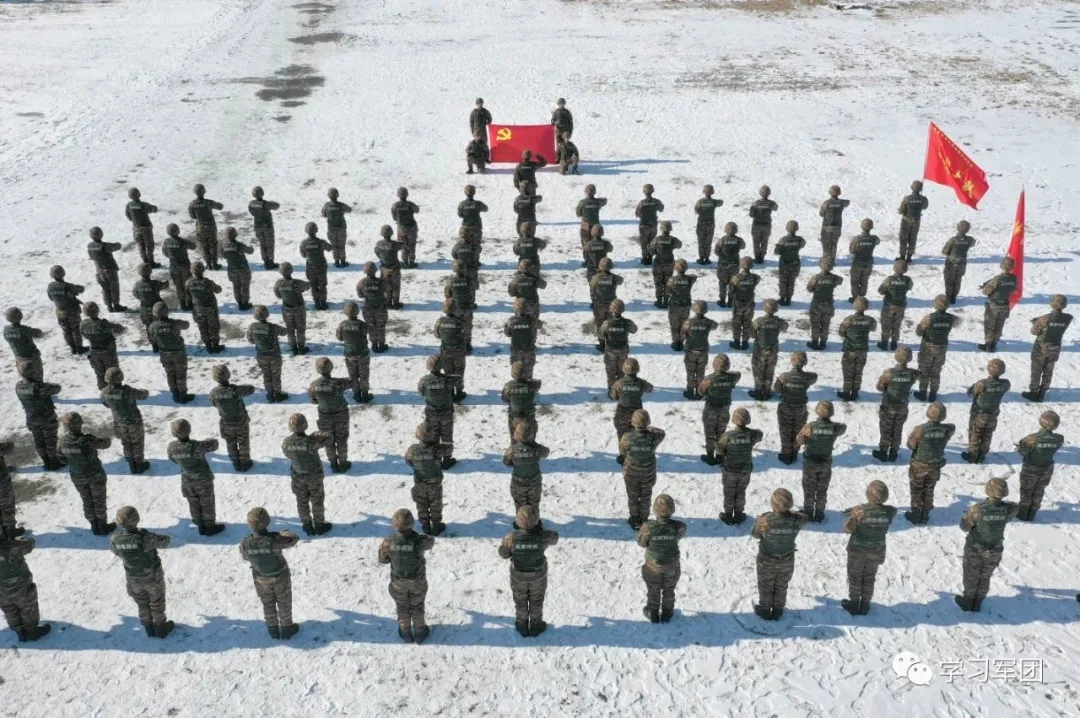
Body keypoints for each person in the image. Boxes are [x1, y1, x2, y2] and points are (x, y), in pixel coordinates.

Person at [109, 506, 173, 638]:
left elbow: (115, 551)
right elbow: (166, 542)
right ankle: (161, 627)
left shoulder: (115, 540)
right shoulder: (145, 537)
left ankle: (148, 627)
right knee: (157, 601)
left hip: (133, 580)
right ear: (136, 519)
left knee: (142, 602)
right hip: (152, 578)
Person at [956, 478, 1018, 613]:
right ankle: (977, 602)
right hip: (995, 549)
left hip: (975, 549)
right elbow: (1015, 509)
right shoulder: (1009, 509)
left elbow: (964, 527)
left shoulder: (977, 509)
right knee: (985, 576)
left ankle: (968, 602)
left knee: (971, 576)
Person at [239, 507, 300, 639]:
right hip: (280, 577)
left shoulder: (245, 543)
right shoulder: (275, 539)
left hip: (261, 579)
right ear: (267, 521)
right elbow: (294, 539)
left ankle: (272, 630)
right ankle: (287, 628)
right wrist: (286, 532)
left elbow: (245, 557)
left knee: (268, 604)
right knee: (284, 603)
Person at [499, 504, 559, 637]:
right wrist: (540, 529)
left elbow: (503, 554)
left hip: (518, 576)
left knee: (520, 601)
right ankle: (536, 626)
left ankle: (522, 626)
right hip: (538, 576)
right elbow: (555, 538)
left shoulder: (511, 537)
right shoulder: (543, 536)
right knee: (536, 601)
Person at [378, 508, 435, 644]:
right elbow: (431, 542)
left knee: (402, 605)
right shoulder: (419, 541)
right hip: (417, 582)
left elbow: (383, 559)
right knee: (417, 605)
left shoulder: (388, 542)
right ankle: (420, 630)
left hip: (398, 582)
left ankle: (405, 631)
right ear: (412, 524)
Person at [841, 480, 897, 616]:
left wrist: (854, 514)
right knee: (869, 577)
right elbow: (890, 510)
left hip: (857, 551)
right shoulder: (890, 511)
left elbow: (848, 529)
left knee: (855, 577)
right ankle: (865, 604)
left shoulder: (860, 511)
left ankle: (854, 604)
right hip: (876, 551)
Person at [751, 488, 807, 620]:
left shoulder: (765, 520)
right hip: (786, 559)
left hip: (767, 560)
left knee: (765, 586)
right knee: (781, 585)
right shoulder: (798, 520)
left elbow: (755, 534)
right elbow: (805, 517)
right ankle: (778, 610)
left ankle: (765, 609)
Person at [58, 412, 114, 535]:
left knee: (87, 500)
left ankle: (94, 526)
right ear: (80, 424)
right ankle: (102, 526)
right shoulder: (87, 440)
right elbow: (106, 444)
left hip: (77, 476)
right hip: (94, 475)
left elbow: (61, 459)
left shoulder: (62, 442)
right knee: (98, 501)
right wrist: (106, 438)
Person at [166, 418, 224, 536]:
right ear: (189, 430)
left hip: (187, 481)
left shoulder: (171, 448)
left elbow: (173, 459)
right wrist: (208, 441)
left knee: (193, 503)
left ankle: (200, 526)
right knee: (207, 503)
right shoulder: (197, 446)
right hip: (203, 481)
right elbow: (214, 445)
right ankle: (209, 527)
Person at [637, 494, 686, 623]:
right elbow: (678, 536)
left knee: (653, 590)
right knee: (669, 590)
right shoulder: (679, 526)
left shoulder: (648, 527)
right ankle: (667, 613)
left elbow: (642, 543)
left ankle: (652, 613)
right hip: (672, 566)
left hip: (653, 567)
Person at [795, 401, 847, 522]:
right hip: (825, 463)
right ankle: (819, 513)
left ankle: (808, 512)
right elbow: (843, 428)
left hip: (810, 463)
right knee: (822, 489)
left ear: (817, 412)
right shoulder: (835, 428)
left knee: (809, 488)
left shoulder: (810, 427)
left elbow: (799, 440)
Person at [282, 414, 333, 536]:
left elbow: (288, 455)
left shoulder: (286, 443)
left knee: (301, 502)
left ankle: (307, 526)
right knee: (317, 501)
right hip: (314, 477)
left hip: (298, 477)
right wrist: (318, 434)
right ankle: (320, 526)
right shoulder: (311, 442)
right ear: (305, 425)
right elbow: (328, 440)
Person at [905, 402, 956, 524]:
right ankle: (925, 514)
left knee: (917, 490)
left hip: (919, 466)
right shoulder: (947, 430)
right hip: (935, 466)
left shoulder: (920, 430)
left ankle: (916, 514)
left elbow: (910, 445)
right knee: (929, 490)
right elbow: (952, 427)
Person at [0, 526, 49, 642]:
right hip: (21, 587)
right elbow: (30, 544)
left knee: (9, 610)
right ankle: (32, 632)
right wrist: (20, 538)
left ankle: (19, 632)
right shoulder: (13, 546)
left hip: (1, 590)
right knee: (28, 607)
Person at [715, 408, 764, 525]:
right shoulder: (752, 435)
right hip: (745, 471)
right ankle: (739, 514)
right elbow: (760, 434)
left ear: (734, 420)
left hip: (729, 471)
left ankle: (727, 515)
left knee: (729, 492)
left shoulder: (728, 436)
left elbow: (719, 451)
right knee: (741, 492)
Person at [619, 410, 665, 529]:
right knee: (646, 496)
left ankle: (634, 518)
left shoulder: (627, 437)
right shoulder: (653, 437)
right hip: (647, 473)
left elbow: (622, 452)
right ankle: (644, 519)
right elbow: (662, 432)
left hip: (631, 473)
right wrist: (648, 428)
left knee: (632, 496)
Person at [100, 367, 150, 474]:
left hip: (119, 422)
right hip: (134, 422)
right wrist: (145, 391)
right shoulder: (127, 391)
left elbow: (105, 403)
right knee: (137, 442)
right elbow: (143, 395)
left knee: (126, 443)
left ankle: (131, 464)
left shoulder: (104, 392)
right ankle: (139, 464)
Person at [872, 347, 918, 462]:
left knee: (886, 429)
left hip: (889, 406)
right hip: (902, 406)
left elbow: (879, 387)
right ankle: (893, 452)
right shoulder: (913, 374)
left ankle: (883, 452)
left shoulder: (889, 373)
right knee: (897, 430)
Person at [1016, 411, 1064, 521]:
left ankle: (1023, 514)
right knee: (1039, 491)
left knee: (1026, 491)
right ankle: (1032, 513)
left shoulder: (1032, 438)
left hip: (1030, 469)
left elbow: (1022, 452)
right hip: (1047, 469)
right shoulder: (1059, 438)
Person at [1025, 294, 1073, 402]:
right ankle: (1042, 393)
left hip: (1040, 348)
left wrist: (1036, 322)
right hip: (1055, 348)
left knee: (1036, 370)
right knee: (1048, 371)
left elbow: (1034, 332)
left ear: (1052, 304)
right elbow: (1056, 322)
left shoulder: (1044, 318)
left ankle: (1033, 392)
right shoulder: (1068, 318)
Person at [15, 363, 63, 470]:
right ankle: (54, 462)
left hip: (31, 419)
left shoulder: (18, 386)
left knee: (38, 440)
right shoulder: (38, 387)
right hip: (46, 418)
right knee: (50, 440)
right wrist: (44, 384)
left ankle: (46, 462)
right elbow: (57, 388)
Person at [308, 358, 352, 473]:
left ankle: (333, 463)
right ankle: (343, 463)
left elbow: (313, 401)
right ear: (330, 368)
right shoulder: (338, 383)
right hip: (341, 415)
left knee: (328, 440)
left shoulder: (314, 385)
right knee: (341, 439)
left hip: (324, 417)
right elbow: (351, 382)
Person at [406, 423, 451, 536]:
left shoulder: (412, 449)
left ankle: (425, 526)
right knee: (436, 505)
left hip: (419, 484)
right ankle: (436, 526)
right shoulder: (436, 449)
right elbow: (449, 449)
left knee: (422, 505)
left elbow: (409, 462)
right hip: (434, 485)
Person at [209, 364, 255, 472]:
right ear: (228, 375)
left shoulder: (213, 393)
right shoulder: (236, 390)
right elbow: (251, 389)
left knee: (230, 442)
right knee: (243, 442)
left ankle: (235, 462)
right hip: (241, 421)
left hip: (226, 422)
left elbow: (213, 403)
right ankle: (244, 462)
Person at [963, 359, 1010, 464]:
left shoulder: (982, 383)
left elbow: (971, 394)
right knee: (987, 434)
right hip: (993, 414)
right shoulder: (1005, 384)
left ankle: (972, 455)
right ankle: (982, 455)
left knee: (975, 434)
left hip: (978, 413)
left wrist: (972, 387)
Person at [774, 352, 817, 464]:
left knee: (785, 431)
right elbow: (815, 376)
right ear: (804, 362)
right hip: (801, 409)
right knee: (798, 431)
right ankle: (794, 453)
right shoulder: (808, 377)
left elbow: (776, 389)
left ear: (792, 361)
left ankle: (786, 455)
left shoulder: (784, 377)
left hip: (785, 408)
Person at [913, 295, 956, 402]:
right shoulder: (951, 318)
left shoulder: (929, 318)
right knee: (936, 371)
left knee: (924, 370)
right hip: (942, 347)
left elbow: (919, 332)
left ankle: (922, 393)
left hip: (928, 347)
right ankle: (933, 394)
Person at [148, 302, 194, 403]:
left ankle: (175, 394)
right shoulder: (173, 323)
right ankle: (183, 395)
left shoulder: (152, 326)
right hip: (178, 353)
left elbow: (152, 339)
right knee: (180, 375)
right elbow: (186, 325)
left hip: (164, 354)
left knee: (170, 374)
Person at [698, 354, 740, 465]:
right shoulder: (732, 378)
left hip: (710, 410)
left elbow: (701, 392)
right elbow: (738, 374)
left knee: (710, 433)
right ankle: (720, 456)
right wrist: (725, 373)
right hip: (724, 410)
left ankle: (710, 456)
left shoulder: (709, 379)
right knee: (721, 433)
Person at [418, 356, 456, 469]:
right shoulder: (447, 380)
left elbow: (422, 392)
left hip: (431, 413)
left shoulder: (424, 381)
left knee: (432, 435)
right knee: (447, 437)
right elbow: (451, 387)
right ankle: (447, 460)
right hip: (446, 414)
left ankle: (435, 458)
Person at [504, 423, 550, 515]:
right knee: (534, 504)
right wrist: (534, 444)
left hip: (518, 483)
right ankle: (535, 523)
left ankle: (522, 523)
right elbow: (546, 453)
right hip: (534, 482)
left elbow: (507, 463)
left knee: (520, 505)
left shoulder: (512, 450)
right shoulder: (537, 448)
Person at [247, 305, 290, 402]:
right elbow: (284, 332)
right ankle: (277, 394)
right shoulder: (272, 327)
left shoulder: (252, 327)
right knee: (276, 375)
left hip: (261, 355)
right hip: (274, 356)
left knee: (266, 375)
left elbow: (251, 340)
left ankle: (270, 394)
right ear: (267, 314)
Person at [837, 296, 877, 401]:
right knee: (858, 372)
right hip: (863, 350)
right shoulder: (870, 320)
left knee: (848, 373)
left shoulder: (849, 320)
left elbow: (841, 333)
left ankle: (846, 393)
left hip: (850, 350)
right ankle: (855, 393)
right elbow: (873, 328)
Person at [80, 301, 125, 390]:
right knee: (113, 373)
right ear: (97, 310)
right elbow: (120, 329)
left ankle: (103, 391)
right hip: (108, 353)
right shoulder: (104, 324)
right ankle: (116, 392)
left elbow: (83, 335)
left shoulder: (83, 324)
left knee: (99, 373)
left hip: (94, 353)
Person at [610, 359, 654, 448]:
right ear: (637, 369)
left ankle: (623, 454)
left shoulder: (618, 383)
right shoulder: (641, 383)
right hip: (637, 414)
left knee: (622, 435)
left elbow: (613, 396)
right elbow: (650, 388)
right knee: (637, 434)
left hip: (622, 412)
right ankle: (636, 453)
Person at [749, 299, 787, 400]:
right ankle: (767, 392)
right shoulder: (779, 322)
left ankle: (758, 392)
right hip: (772, 351)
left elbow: (752, 335)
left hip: (759, 351)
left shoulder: (758, 321)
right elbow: (785, 327)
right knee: (769, 372)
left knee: (758, 372)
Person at [979, 257, 1018, 352]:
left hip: (993, 306)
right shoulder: (1013, 279)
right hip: (1004, 305)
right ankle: (994, 345)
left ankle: (988, 346)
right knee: (999, 326)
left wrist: (985, 287)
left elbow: (985, 292)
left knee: (990, 326)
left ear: (1001, 266)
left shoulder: (997, 279)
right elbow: (1013, 289)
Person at [681, 300, 718, 400]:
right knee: (700, 372)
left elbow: (683, 335)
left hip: (691, 351)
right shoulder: (708, 322)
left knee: (690, 372)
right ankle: (699, 392)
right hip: (703, 351)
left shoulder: (689, 322)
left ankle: (690, 391)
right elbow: (716, 326)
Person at [185, 261, 226, 353]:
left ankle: (208, 346)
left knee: (202, 327)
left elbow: (188, 297)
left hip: (198, 309)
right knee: (214, 327)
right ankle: (215, 345)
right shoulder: (207, 282)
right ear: (203, 270)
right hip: (211, 309)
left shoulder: (188, 283)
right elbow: (218, 290)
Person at [336, 301, 372, 403]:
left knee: (353, 375)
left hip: (349, 355)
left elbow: (339, 337)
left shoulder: (342, 325)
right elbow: (371, 330)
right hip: (363, 354)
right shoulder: (363, 325)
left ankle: (356, 394)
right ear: (357, 311)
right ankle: (365, 394)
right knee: (364, 375)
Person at [46, 265, 87, 354]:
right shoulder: (67, 286)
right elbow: (81, 289)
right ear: (63, 274)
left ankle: (72, 348)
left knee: (66, 330)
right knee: (76, 329)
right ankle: (79, 347)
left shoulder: (50, 287)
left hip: (60, 311)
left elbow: (51, 298)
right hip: (72, 311)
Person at [598, 300, 638, 390]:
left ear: (611, 310)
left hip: (610, 352)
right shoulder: (627, 323)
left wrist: (602, 345)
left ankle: (612, 391)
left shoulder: (607, 323)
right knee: (621, 372)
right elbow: (635, 330)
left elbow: (601, 335)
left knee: (610, 373)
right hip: (623, 351)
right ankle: (619, 390)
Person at [434, 299, 468, 401]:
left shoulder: (440, 322)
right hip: (459, 352)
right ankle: (459, 392)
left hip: (445, 351)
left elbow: (437, 335)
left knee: (448, 372)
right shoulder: (460, 321)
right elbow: (465, 335)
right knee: (459, 371)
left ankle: (450, 392)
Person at [86, 227, 126, 313]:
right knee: (114, 288)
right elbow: (116, 246)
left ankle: (109, 306)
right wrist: (118, 244)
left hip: (99, 271)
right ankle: (116, 305)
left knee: (105, 288)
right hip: (109, 270)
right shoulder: (104, 246)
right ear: (101, 235)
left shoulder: (89, 246)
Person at [273, 262, 310, 356]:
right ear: (291, 271)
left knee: (290, 330)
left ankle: (293, 348)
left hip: (287, 310)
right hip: (299, 310)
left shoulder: (278, 283)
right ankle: (301, 348)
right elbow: (307, 286)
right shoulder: (297, 283)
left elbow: (278, 295)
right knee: (300, 329)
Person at [806, 259, 843, 350]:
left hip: (816, 305)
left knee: (815, 325)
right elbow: (840, 281)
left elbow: (809, 289)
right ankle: (823, 343)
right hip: (828, 305)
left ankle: (815, 343)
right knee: (825, 325)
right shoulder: (834, 278)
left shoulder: (815, 278)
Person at [131, 264, 170, 351]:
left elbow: (136, 295)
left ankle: (154, 346)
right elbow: (165, 285)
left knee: (149, 327)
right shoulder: (155, 283)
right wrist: (166, 282)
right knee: (161, 325)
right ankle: (163, 343)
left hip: (145, 309)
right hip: (157, 309)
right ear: (150, 272)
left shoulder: (137, 285)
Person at [877, 260, 913, 350]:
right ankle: (894, 344)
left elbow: (881, 291)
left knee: (886, 324)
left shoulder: (889, 279)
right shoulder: (908, 280)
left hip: (889, 306)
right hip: (900, 306)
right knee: (896, 325)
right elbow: (909, 287)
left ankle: (884, 343)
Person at [504, 298, 541, 381]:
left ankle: (517, 387)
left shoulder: (511, 321)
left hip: (516, 350)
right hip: (529, 350)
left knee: (517, 370)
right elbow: (539, 325)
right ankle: (528, 389)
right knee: (528, 370)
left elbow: (507, 333)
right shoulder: (531, 320)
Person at [504, 361, 542, 442]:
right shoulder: (532, 385)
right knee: (530, 438)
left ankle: (514, 451)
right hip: (528, 417)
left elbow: (504, 398)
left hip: (514, 416)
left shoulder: (508, 387)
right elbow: (539, 383)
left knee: (514, 438)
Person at [188, 184, 223, 269]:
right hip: (211, 228)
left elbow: (192, 216)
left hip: (201, 229)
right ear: (204, 192)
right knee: (213, 246)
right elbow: (220, 207)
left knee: (204, 247)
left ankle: (208, 264)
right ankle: (215, 264)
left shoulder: (192, 204)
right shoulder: (208, 202)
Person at [161, 224, 195, 311]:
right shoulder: (182, 242)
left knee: (179, 287)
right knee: (187, 285)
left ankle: (183, 305)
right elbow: (193, 246)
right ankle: (190, 304)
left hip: (174, 267)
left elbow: (165, 253)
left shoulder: (166, 242)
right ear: (178, 231)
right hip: (184, 267)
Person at [299, 222, 332, 310]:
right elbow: (329, 248)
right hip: (321, 266)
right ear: (316, 230)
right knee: (322, 285)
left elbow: (303, 255)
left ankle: (317, 303)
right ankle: (323, 303)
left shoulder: (304, 243)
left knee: (313, 285)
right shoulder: (321, 242)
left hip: (310, 267)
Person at [3, 307, 44, 379]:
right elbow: (38, 334)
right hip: (32, 359)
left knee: (26, 379)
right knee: (38, 380)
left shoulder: (6, 331)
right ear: (20, 316)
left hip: (19, 359)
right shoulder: (24, 330)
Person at [219, 227, 254, 309]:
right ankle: (245, 303)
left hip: (231, 269)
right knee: (245, 287)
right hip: (243, 269)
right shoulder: (239, 245)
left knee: (236, 286)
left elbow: (223, 255)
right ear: (235, 235)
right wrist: (251, 247)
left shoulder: (223, 246)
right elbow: (250, 251)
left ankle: (239, 303)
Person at [729, 257, 760, 349]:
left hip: (738, 304)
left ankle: (737, 342)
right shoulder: (755, 277)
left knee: (736, 323)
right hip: (749, 305)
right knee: (747, 323)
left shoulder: (735, 278)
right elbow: (756, 282)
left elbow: (731, 290)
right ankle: (745, 342)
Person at [357, 263, 389, 353]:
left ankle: (374, 345)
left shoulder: (362, 283)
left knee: (371, 327)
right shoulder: (381, 282)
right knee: (381, 327)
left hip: (368, 309)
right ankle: (382, 345)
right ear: (375, 270)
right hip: (380, 308)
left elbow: (360, 295)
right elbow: (387, 290)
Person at [941, 221, 976, 303]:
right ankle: (954, 297)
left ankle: (949, 297)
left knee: (949, 281)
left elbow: (945, 251)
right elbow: (973, 243)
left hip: (951, 263)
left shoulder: (953, 240)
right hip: (962, 263)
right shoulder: (970, 239)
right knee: (958, 280)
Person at [124, 187, 160, 267]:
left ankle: (145, 261)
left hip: (136, 229)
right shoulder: (143, 205)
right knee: (149, 246)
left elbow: (128, 215)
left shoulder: (129, 205)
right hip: (146, 229)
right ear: (139, 194)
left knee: (141, 246)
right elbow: (154, 209)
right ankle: (151, 262)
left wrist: (134, 221)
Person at [648, 222, 681, 307]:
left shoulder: (657, 239)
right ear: (670, 229)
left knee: (658, 283)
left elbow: (651, 251)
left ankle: (659, 301)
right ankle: (666, 301)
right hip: (669, 264)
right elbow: (679, 245)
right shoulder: (673, 239)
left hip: (658, 264)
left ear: (661, 229)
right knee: (667, 283)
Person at [666, 260, 697, 350]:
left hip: (675, 306)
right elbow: (695, 276)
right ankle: (682, 342)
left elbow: (668, 292)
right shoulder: (690, 279)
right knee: (684, 324)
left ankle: (676, 343)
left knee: (674, 325)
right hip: (686, 305)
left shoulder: (672, 280)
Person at [248, 186, 281, 269]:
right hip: (267, 227)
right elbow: (276, 206)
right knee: (269, 244)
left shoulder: (251, 204)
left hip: (257, 226)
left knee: (262, 244)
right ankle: (270, 262)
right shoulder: (265, 204)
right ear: (262, 193)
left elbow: (252, 212)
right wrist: (272, 202)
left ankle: (265, 262)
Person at [773, 221, 806, 305]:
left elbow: (777, 251)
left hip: (784, 264)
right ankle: (788, 299)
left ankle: (782, 298)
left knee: (783, 282)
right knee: (791, 282)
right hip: (795, 263)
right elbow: (802, 245)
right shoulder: (800, 239)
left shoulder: (783, 240)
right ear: (797, 228)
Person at [713, 222, 745, 308]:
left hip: (723, 266)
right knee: (733, 284)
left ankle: (722, 301)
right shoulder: (739, 240)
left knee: (722, 283)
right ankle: (730, 302)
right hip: (734, 266)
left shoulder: (721, 240)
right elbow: (743, 246)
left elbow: (716, 252)